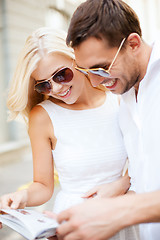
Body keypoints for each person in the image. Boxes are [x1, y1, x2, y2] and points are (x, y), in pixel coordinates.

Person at [0, 27, 139, 239]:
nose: (56, 89)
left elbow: (146, 160)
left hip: (119, 214)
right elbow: (44, 186)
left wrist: (123, 183)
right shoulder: (42, 117)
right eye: (44, 85)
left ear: (77, 60)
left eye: (61, 75)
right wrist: (22, 196)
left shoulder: (119, 99)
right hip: (71, 221)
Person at [51, 0, 160, 240]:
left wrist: (118, 211)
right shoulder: (125, 96)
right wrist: (84, 217)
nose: (97, 83)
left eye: (101, 69)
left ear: (133, 44)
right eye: (88, 72)